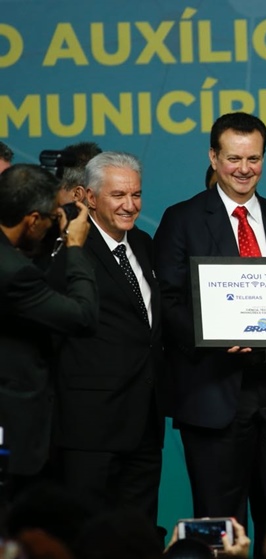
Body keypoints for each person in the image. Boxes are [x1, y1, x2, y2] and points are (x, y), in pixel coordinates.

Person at [154, 112, 266, 539]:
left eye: (254, 158)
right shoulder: (183, 219)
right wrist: (213, 338)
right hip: (215, 392)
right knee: (219, 522)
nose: (244, 169)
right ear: (213, 157)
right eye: (233, 158)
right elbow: (168, 301)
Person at [52, 152, 165, 525]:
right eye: (118, 195)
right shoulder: (68, 247)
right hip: (90, 424)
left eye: (136, 194)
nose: (130, 205)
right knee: (85, 531)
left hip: (145, 421)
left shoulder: (144, 243)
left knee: (138, 531)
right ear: (88, 197)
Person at [0, 164, 97, 496]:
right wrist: (75, 247)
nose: (57, 219)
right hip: (13, 427)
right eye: (51, 215)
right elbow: (82, 317)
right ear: (32, 220)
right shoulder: (13, 273)